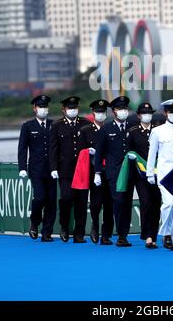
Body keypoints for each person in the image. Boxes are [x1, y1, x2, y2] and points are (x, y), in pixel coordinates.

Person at [146, 99, 173, 251]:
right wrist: (150, 173)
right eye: (171, 112)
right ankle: (166, 233)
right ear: (165, 113)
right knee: (169, 204)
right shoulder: (157, 131)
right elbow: (152, 154)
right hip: (164, 174)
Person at [49, 96, 91, 243]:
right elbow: (53, 149)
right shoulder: (56, 126)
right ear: (63, 110)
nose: (73, 110)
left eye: (75, 108)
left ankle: (79, 233)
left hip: (82, 170)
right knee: (66, 198)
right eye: (70, 108)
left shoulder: (86, 124)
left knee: (81, 201)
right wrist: (53, 167)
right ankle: (64, 226)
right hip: (65, 170)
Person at [94, 96, 133, 247]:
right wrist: (97, 172)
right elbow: (99, 152)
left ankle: (122, 235)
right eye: (120, 109)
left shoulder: (132, 126)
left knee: (127, 203)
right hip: (113, 173)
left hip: (130, 172)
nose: (123, 111)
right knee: (117, 201)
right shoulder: (106, 129)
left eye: (125, 109)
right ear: (114, 111)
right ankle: (119, 235)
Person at [18, 95, 56, 242]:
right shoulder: (27, 126)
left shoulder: (54, 124)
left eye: (45, 106)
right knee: (39, 198)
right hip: (36, 169)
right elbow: (22, 148)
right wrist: (22, 167)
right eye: (40, 106)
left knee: (51, 201)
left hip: (52, 169)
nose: (43, 109)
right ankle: (34, 222)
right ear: (35, 108)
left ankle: (47, 232)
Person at [77, 99, 114, 245]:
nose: (101, 114)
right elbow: (80, 152)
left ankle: (106, 235)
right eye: (98, 112)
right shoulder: (86, 130)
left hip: (110, 170)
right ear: (93, 113)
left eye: (103, 112)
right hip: (93, 171)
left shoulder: (111, 128)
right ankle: (95, 224)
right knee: (96, 203)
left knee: (109, 204)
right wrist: (88, 152)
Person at [127, 102, 161, 249]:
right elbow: (128, 151)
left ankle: (153, 235)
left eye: (150, 113)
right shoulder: (133, 132)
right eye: (144, 113)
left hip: (158, 173)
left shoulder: (158, 131)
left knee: (156, 204)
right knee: (146, 203)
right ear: (139, 116)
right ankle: (147, 235)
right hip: (140, 175)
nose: (147, 116)